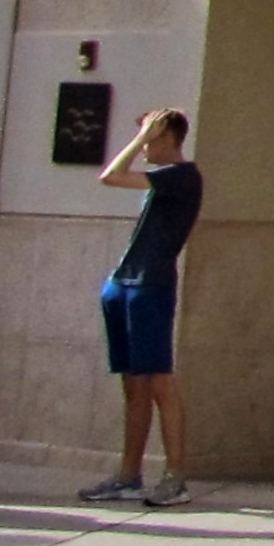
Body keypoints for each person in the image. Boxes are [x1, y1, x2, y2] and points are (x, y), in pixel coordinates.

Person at [79, 108, 200, 507]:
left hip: (151, 286)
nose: (145, 146)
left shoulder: (182, 176)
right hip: (124, 282)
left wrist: (137, 142)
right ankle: (128, 475)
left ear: (168, 138)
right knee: (133, 383)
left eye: (150, 138)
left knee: (159, 379)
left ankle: (176, 476)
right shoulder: (159, 182)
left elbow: (109, 176)